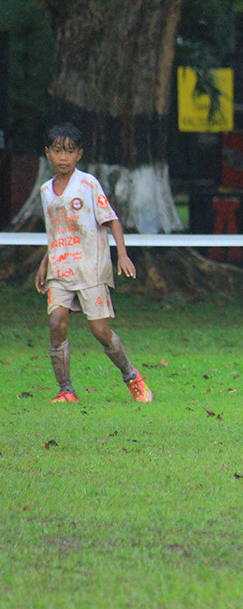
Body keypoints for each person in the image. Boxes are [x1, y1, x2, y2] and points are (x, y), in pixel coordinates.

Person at [34, 122, 152, 404]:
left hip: (90, 269)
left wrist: (122, 254)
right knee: (56, 322)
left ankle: (131, 376)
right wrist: (44, 263)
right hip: (60, 269)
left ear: (79, 154)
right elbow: (56, 231)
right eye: (57, 151)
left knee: (100, 330)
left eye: (69, 151)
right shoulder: (46, 191)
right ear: (48, 153)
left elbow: (111, 220)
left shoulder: (87, 184)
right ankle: (66, 390)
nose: (63, 157)